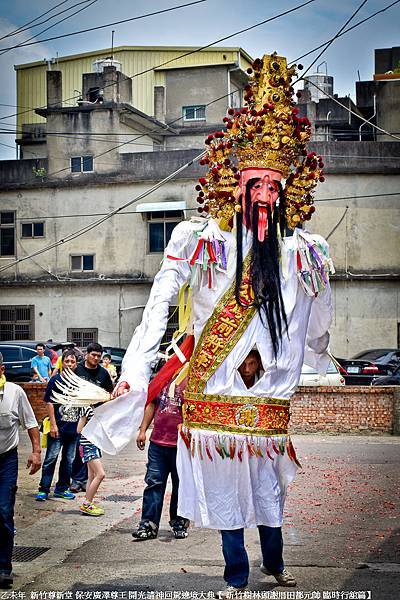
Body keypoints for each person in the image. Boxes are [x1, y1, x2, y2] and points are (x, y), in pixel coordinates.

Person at [80, 54, 334, 593]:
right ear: (235, 186)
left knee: (269, 496)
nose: (265, 196)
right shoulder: (200, 239)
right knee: (225, 499)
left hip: (267, 401)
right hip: (214, 395)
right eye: (256, 186)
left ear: (288, 191)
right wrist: (135, 365)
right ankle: (236, 576)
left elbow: (318, 325)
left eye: (274, 186)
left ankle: (276, 565)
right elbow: (160, 299)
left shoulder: (304, 251)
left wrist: (317, 353)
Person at [0, 352, 41, 589]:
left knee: (3, 512)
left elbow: (31, 423)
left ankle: (4, 567)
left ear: (2, 370)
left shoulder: (15, 393)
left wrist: (36, 452)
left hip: (6, 460)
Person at [133, 383, 189, 540]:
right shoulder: (163, 377)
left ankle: (179, 522)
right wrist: (143, 430)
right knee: (154, 483)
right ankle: (148, 524)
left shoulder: (193, 378)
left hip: (182, 445)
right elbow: (151, 405)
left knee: (181, 486)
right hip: (158, 443)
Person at [35, 349, 80, 501]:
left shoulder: (80, 383)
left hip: (73, 430)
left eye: (72, 361)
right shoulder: (56, 380)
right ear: (62, 363)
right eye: (67, 361)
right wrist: (53, 425)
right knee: (51, 458)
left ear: (76, 364)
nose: (69, 364)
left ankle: (62, 488)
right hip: (58, 429)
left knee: (68, 460)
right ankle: (44, 488)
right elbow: (49, 402)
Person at [70, 343, 113, 494]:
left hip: (95, 416)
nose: (96, 358)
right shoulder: (78, 369)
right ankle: (76, 480)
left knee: (91, 449)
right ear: (87, 354)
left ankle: (85, 481)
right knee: (79, 449)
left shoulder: (103, 373)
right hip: (77, 413)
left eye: (98, 356)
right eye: (93, 355)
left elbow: (109, 393)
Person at [77, 406, 105, 516]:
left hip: (94, 445)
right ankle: (87, 503)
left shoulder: (95, 408)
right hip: (88, 446)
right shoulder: (86, 408)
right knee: (101, 474)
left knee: (91, 476)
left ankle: (89, 503)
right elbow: (79, 429)